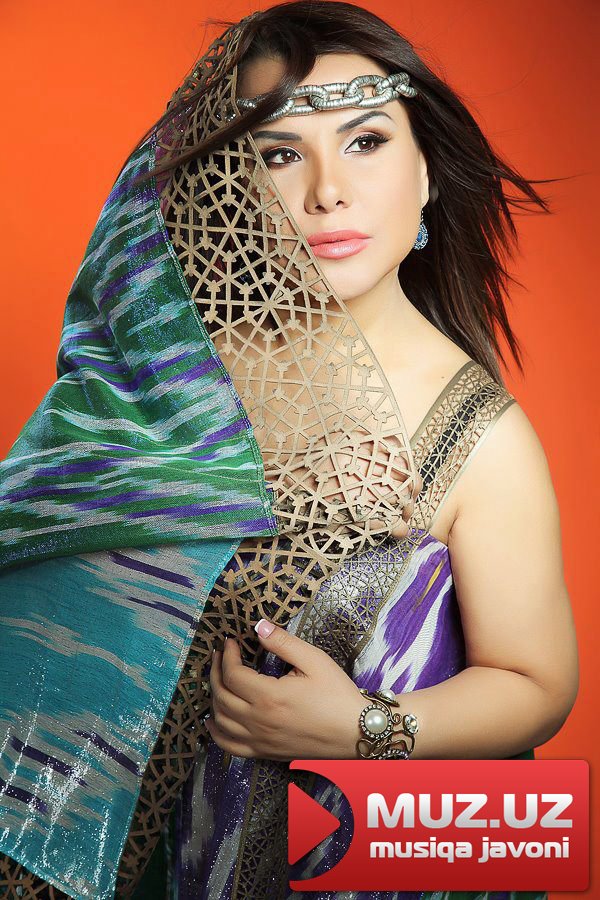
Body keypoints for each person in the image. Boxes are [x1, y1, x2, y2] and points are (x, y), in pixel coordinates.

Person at [0, 3, 578, 899]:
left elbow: (537, 683)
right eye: (278, 154)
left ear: (427, 171)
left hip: (353, 861)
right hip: (131, 854)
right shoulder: (162, 370)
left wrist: (364, 729)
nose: (326, 192)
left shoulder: (480, 436)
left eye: (365, 141)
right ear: (230, 185)